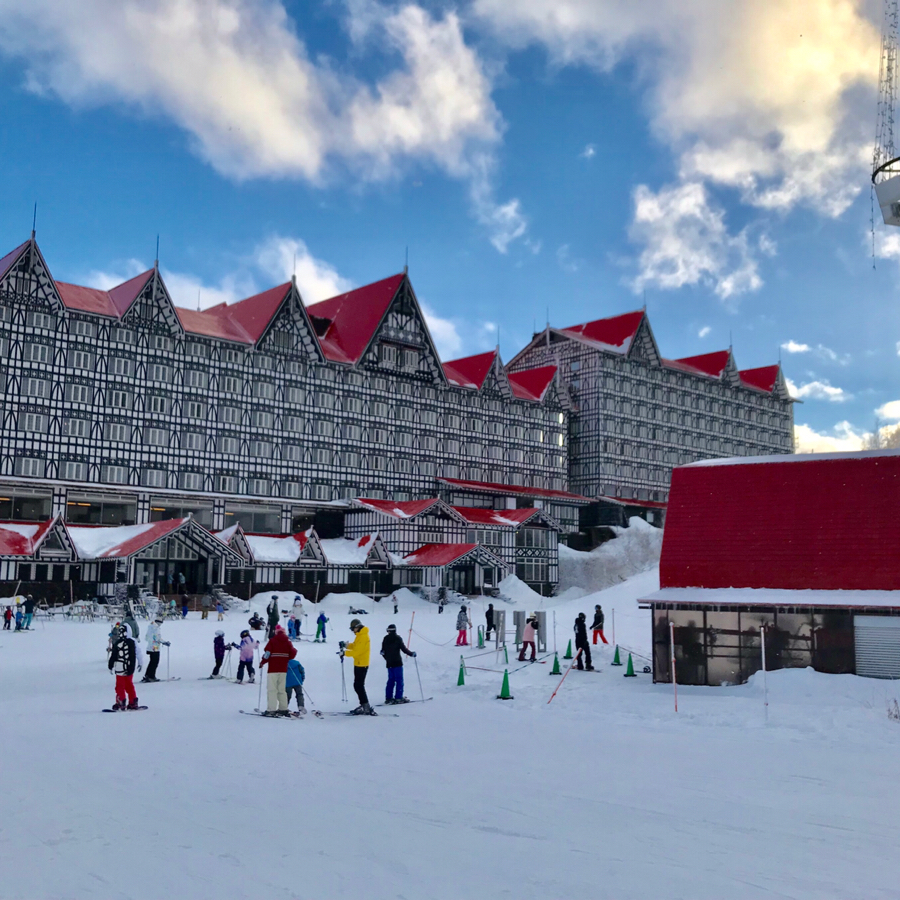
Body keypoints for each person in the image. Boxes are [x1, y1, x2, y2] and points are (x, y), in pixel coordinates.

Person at [260, 624, 297, 716]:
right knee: (282, 689)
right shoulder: (288, 642)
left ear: (276, 633)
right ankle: (283, 708)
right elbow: (293, 652)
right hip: (283, 669)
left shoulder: (272, 641)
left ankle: (271, 709)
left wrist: (262, 662)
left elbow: (267, 654)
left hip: (273, 669)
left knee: (272, 689)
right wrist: (286, 658)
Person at [341, 618, 375, 715]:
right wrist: (346, 645)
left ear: (357, 627)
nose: (352, 631)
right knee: (358, 685)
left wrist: (344, 653)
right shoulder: (360, 635)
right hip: (359, 663)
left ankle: (366, 706)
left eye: (353, 629)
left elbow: (357, 652)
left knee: (358, 685)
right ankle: (364, 705)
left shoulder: (363, 636)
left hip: (362, 664)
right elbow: (356, 646)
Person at [108, 622, 145, 710]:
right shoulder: (132, 642)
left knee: (120, 685)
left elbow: (113, 655)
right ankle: (133, 701)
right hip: (130, 668)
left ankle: (121, 701)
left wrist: (110, 665)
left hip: (120, 668)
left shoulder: (117, 643)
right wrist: (140, 663)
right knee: (129, 684)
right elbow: (138, 653)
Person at [381, 623, 415, 704]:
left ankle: (388, 697)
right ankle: (398, 697)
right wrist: (411, 654)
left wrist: (387, 659)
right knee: (399, 680)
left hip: (389, 664)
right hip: (397, 663)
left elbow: (383, 652)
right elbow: (404, 649)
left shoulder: (385, 639)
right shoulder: (398, 638)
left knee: (390, 680)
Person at [142, 616, 168, 682]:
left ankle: (147, 675)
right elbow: (157, 638)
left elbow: (146, 637)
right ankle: (151, 676)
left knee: (151, 662)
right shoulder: (156, 628)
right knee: (155, 662)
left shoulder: (150, 627)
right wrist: (164, 642)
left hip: (150, 647)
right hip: (155, 648)